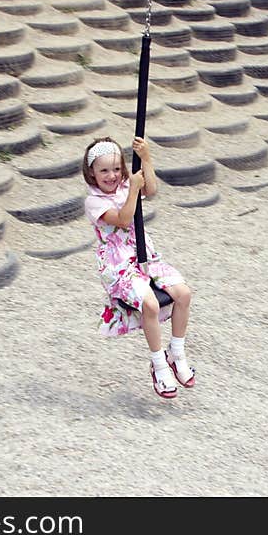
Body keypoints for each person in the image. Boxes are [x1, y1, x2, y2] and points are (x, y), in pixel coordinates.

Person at [82, 136, 195, 399]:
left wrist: (146, 158)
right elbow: (122, 220)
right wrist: (132, 188)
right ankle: (158, 366)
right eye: (104, 170)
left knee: (184, 293)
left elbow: (151, 189)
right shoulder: (94, 202)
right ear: (91, 173)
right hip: (119, 266)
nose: (111, 175)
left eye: (116, 168)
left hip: (145, 255)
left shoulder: (125, 185)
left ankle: (176, 353)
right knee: (151, 305)